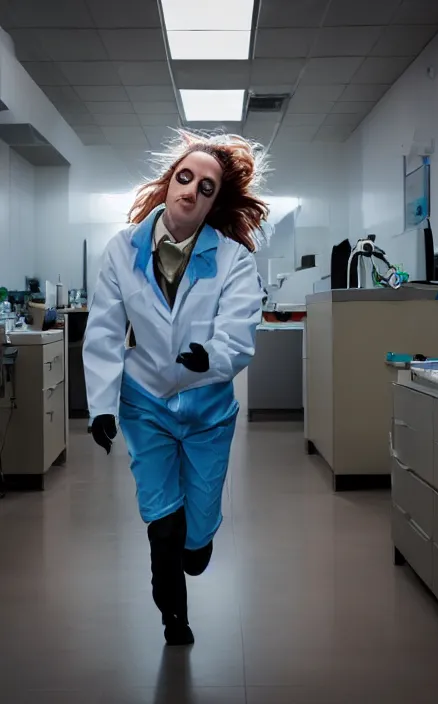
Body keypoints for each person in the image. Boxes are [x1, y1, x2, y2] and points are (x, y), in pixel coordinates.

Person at [83, 130, 269, 645]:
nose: (191, 190)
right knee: (161, 520)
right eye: (184, 177)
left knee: (196, 539)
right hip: (145, 402)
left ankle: (198, 539)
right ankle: (173, 617)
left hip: (208, 408)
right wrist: (102, 406)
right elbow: (102, 330)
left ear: (213, 204)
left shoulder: (234, 260)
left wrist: (210, 357)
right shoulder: (123, 251)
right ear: (169, 183)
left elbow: (238, 333)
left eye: (205, 187)